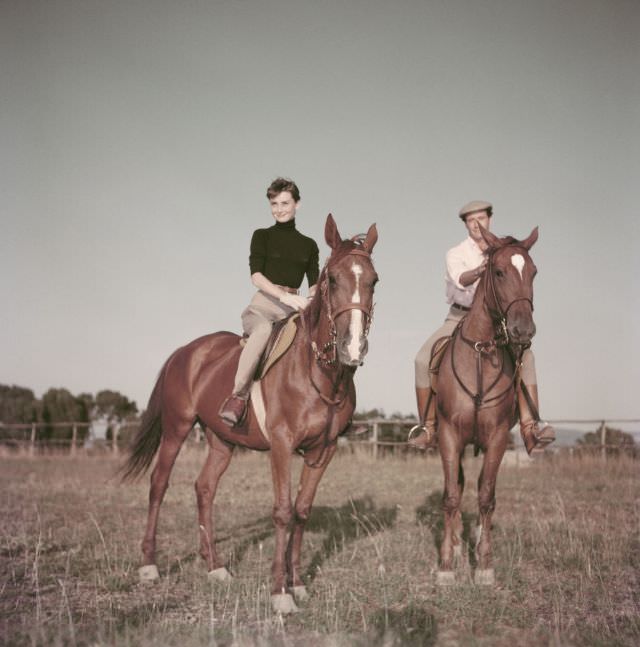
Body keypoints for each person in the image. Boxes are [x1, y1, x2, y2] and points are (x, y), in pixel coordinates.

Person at [409, 200, 555, 453]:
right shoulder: (456, 253)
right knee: (422, 360)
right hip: (459, 316)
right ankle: (428, 427)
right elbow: (461, 279)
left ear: (490, 220)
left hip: (495, 323)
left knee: (527, 358)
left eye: (481, 219)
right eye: (470, 220)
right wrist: (482, 269)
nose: (477, 225)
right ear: (466, 225)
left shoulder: (505, 251)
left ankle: (531, 427)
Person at [219, 178, 319, 427]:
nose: (279, 209)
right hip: (263, 306)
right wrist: (284, 296)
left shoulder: (309, 245)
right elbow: (256, 276)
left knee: (326, 336)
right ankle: (238, 396)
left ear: (298, 204)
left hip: (294, 310)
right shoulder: (261, 236)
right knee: (263, 330)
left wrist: (310, 299)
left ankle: (334, 405)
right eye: (274, 204)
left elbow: (314, 282)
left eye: (285, 203)